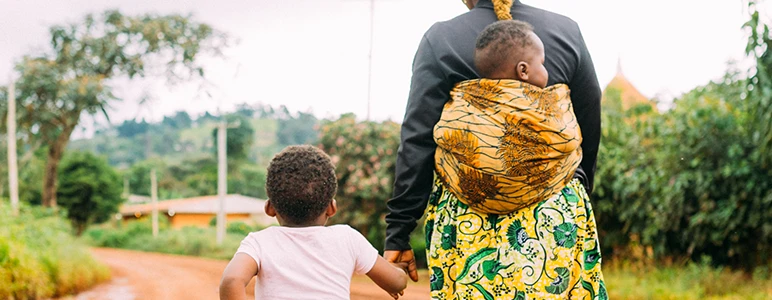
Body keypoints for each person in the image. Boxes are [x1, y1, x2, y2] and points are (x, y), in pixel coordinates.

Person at [385, 0, 606, 298]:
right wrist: (576, 185)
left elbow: (418, 139)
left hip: (467, 219)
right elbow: (589, 124)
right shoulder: (566, 30)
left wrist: (398, 231)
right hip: (553, 212)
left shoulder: (440, 39)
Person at [220, 145, 407, 300]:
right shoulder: (347, 238)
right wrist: (398, 270)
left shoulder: (260, 242)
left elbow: (231, 280)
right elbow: (396, 282)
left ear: (270, 208)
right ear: (332, 208)